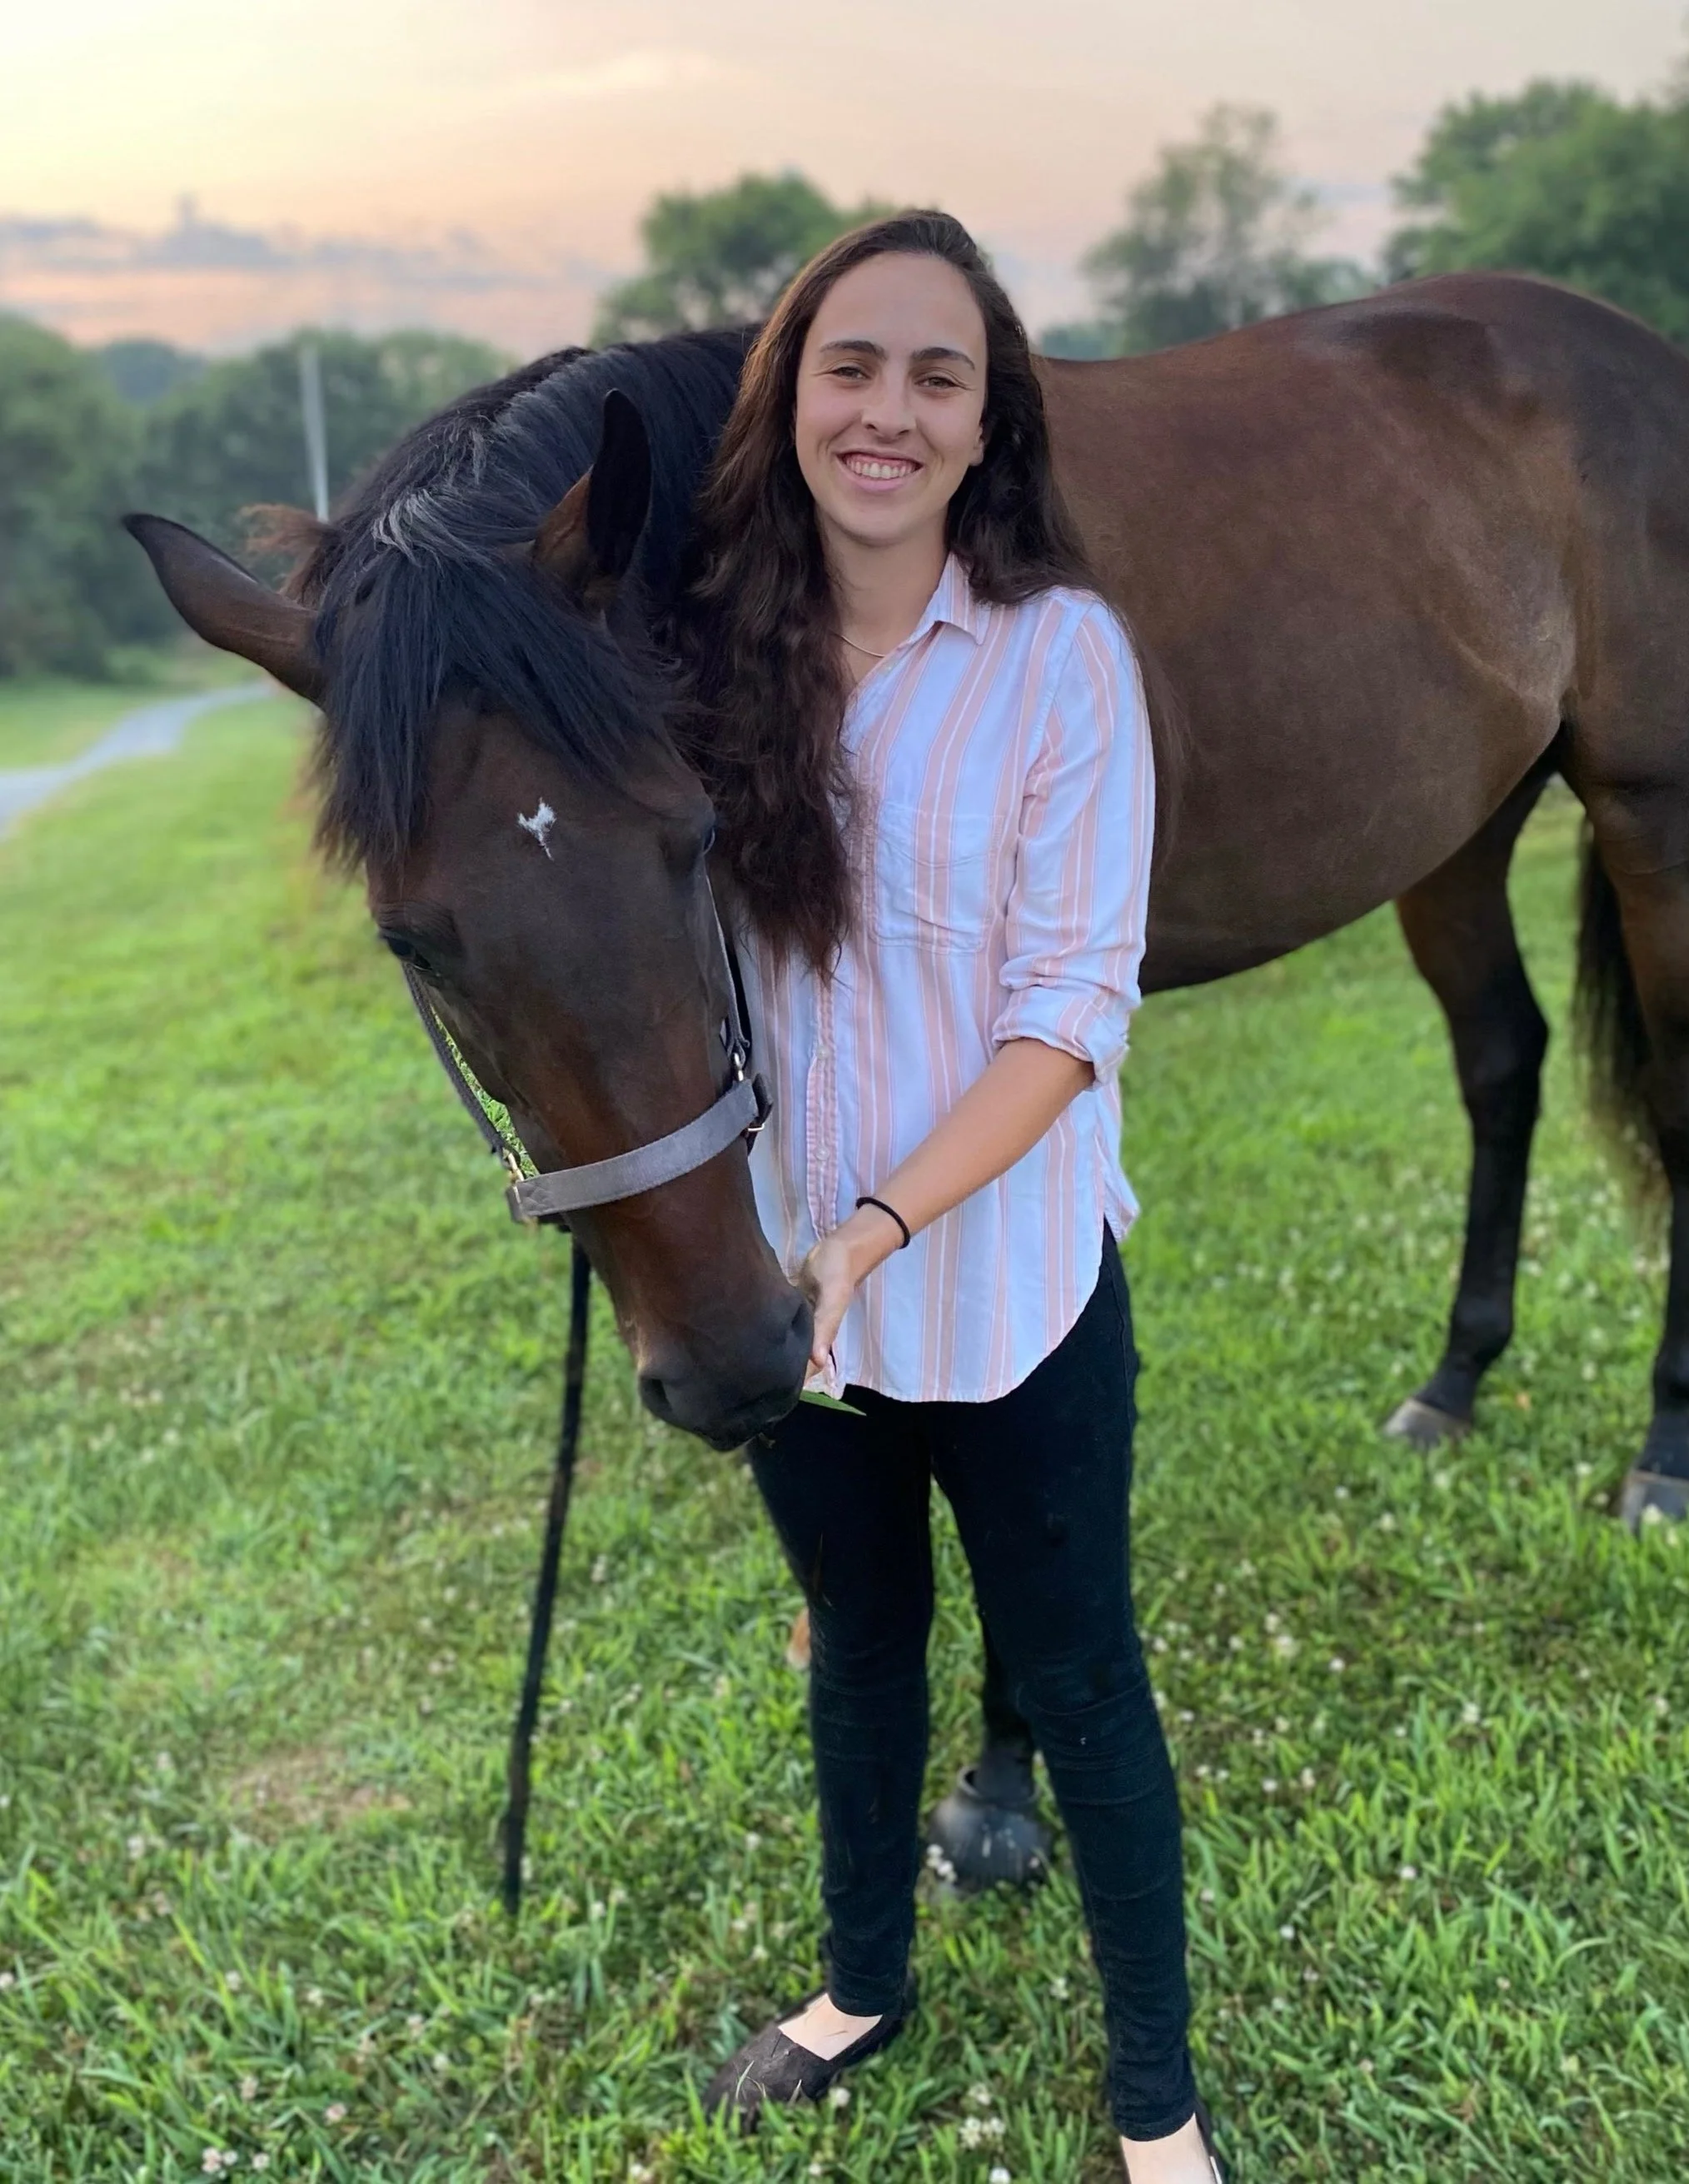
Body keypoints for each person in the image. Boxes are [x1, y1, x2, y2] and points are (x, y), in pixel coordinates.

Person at [676, 210, 1221, 2184]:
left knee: (1079, 1679)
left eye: (936, 376)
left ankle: (1155, 2104)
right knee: (858, 1651)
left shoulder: (1060, 657)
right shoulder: (703, 657)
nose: (886, 412)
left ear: (987, 425)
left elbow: (1070, 1012)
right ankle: (859, 1987)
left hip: (1005, 1287)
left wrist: (877, 1230)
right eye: (849, 367)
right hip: (787, 1298)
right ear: (789, 397)